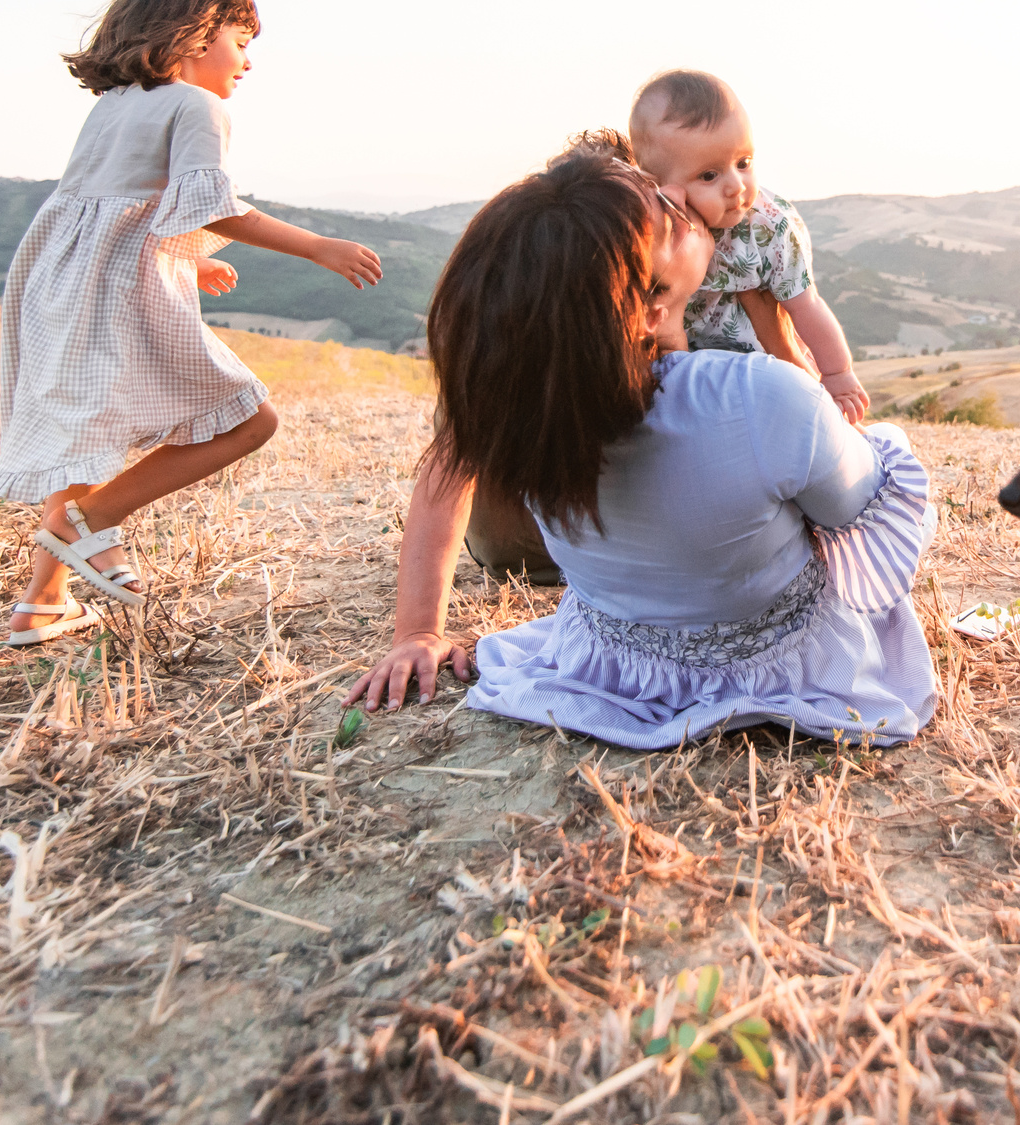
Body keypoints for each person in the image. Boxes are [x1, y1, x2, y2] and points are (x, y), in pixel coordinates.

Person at [345, 133, 938, 750]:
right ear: (650, 304)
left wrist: (417, 630)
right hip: (783, 662)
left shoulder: (531, 404)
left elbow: (446, 474)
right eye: (674, 217)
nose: (686, 201)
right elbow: (864, 508)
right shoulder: (762, 397)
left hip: (612, 662)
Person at [0, 0, 383, 646]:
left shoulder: (110, 107)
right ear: (194, 36)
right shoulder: (198, 106)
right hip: (105, 296)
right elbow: (213, 206)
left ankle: (40, 603)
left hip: (54, 284)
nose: (247, 63)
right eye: (241, 41)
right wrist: (319, 245)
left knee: (80, 440)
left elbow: (113, 214)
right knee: (250, 420)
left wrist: (186, 261)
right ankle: (91, 521)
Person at [627, 70, 870, 423]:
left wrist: (838, 374)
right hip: (685, 378)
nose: (736, 186)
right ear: (658, 185)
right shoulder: (654, 236)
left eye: (743, 163)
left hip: (763, 369)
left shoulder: (769, 226)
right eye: (709, 175)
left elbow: (806, 306)